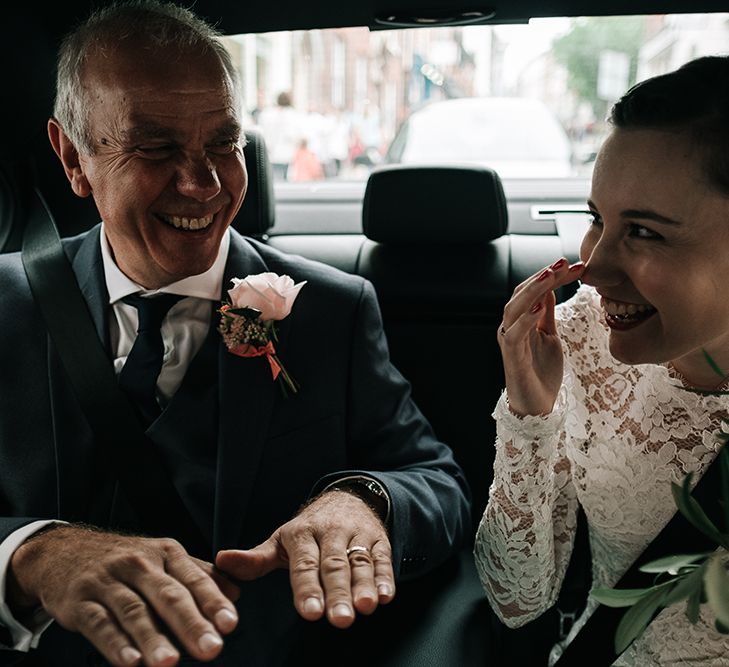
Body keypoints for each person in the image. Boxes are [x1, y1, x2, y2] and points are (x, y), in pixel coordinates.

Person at [0, 2, 471, 666]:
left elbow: (437, 479)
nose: (203, 184)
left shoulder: (331, 307)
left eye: (224, 142)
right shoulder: (5, 307)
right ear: (73, 157)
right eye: (157, 147)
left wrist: (365, 500)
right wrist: (32, 553)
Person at [474, 54, 729, 666]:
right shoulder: (580, 338)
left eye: (644, 231)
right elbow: (519, 600)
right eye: (596, 220)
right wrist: (529, 418)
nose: (594, 267)